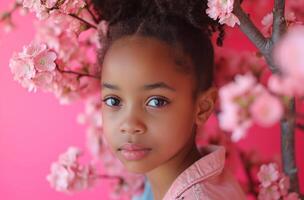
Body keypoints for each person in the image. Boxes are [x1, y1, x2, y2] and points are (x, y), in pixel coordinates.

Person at [92, 0, 246, 199]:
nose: (129, 124)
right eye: (113, 101)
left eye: (156, 101)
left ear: (202, 107)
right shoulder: (158, 183)